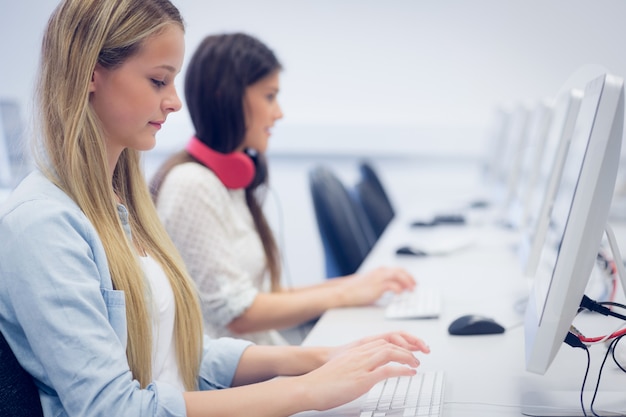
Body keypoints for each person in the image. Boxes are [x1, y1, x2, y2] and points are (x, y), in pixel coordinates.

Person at [0, 0, 431, 415]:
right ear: (91, 74)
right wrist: (306, 392)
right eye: (157, 81)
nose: (174, 101)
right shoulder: (43, 225)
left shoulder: (123, 204)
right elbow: (114, 409)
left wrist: (320, 358)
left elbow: (185, 356)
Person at [150, 32, 417, 345]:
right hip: (236, 381)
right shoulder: (192, 185)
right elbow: (238, 314)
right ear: (228, 97)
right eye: (269, 96)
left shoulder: (227, 182)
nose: (279, 113)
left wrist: (357, 285)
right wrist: (345, 293)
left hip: (266, 359)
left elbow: (260, 297)